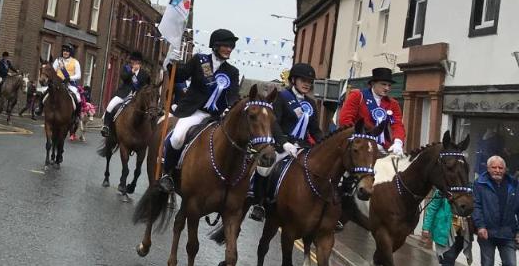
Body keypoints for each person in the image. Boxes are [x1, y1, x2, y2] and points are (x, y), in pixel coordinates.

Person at [158, 28, 242, 194]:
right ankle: (167, 174)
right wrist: (171, 63)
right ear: (215, 46)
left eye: (231, 46)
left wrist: (231, 109)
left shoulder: (232, 72)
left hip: (216, 117)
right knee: (177, 136)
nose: (229, 49)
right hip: (194, 112)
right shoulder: (200, 61)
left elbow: (232, 96)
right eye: (226, 45)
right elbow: (180, 76)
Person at [248, 62, 323, 221]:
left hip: (303, 146)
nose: (307, 84)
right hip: (283, 144)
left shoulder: (311, 104)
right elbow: (274, 123)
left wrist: (324, 145)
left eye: (309, 81)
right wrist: (283, 143)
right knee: (265, 166)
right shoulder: (282, 97)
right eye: (303, 80)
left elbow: (315, 130)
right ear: (293, 80)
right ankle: (258, 203)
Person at [472, 155, 518, 266]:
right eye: (494, 167)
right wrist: (480, 226)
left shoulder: (513, 184)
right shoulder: (479, 184)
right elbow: (476, 206)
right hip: (487, 232)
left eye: (500, 168)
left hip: (507, 233)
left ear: (505, 170)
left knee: (510, 264)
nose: (497, 170)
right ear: (488, 168)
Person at [338, 67, 405, 155]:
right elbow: (345, 120)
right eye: (383, 84)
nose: (387, 88)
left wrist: (398, 142)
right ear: (373, 83)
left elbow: (397, 125)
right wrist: (361, 140)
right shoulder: (358, 96)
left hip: (384, 148)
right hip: (359, 145)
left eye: (389, 85)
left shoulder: (393, 103)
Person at [422, 189, 472, 266]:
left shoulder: (467, 190)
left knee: (450, 259)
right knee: (448, 257)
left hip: (461, 231)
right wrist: (426, 228)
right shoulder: (442, 191)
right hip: (444, 229)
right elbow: (433, 208)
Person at [103, 52, 149, 134]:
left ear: (140, 63)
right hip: (123, 94)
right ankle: (106, 126)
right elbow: (123, 77)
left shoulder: (144, 74)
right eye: (133, 62)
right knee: (110, 105)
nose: (134, 63)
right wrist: (132, 71)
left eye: (137, 62)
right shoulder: (126, 68)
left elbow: (146, 86)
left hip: (136, 97)